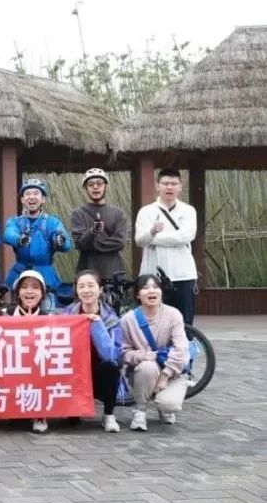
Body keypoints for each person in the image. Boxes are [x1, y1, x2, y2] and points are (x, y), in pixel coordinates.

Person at [120, 274, 190, 431]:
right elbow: (123, 352)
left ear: (161, 292)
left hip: (172, 371)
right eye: (145, 288)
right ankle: (140, 411)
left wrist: (165, 375)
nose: (151, 291)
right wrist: (141, 356)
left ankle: (163, 408)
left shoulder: (173, 314)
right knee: (147, 366)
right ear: (137, 295)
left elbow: (181, 348)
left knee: (170, 405)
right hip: (143, 371)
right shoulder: (128, 320)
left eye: (155, 287)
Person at [134, 167, 198, 326]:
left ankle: (184, 343)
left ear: (180, 187)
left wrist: (154, 238)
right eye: (165, 183)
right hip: (152, 275)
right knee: (152, 322)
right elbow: (139, 240)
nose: (169, 187)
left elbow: (186, 237)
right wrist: (151, 232)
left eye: (174, 184)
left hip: (183, 275)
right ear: (158, 186)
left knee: (184, 322)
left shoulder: (188, 211)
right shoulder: (146, 211)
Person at [63, 270, 124, 432]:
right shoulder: (66, 315)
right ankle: (73, 409)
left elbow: (112, 356)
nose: (86, 290)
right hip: (73, 373)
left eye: (91, 285)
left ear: (100, 289)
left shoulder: (111, 318)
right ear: (76, 290)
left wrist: (97, 326)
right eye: (81, 286)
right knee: (72, 421)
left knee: (111, 367)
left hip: (98, 374)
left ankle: (109, 415)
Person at [4, 178, 72, 307]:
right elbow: (8, 234)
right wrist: (19, 239)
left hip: (45, 274)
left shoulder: (52, 222)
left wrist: (60, 240)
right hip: (20, 273)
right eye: (27, 194)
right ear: (22, 199)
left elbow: (66, 244)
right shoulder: (15, 222)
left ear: (43, 199)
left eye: (36, 193)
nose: (31, 197)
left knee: (48, 310)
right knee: (17, 311)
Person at [6, 270, 53, 433]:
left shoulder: (50, 319)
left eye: (35, 287)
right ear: (18, 292)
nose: (29, 291)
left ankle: (40, 414)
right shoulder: (5, 315)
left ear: (42, 293)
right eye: (24, 287)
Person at [69, 169, 128, 281]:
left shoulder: (118, 213)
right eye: (91, 184)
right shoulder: (78, 214)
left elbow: (120, 242)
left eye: (99, 183)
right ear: (85, 188)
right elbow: (79, 244)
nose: (95, 187)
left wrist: (91, 245)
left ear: (106, 186)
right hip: (87, 273)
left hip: (113, 273)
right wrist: (93, 232)